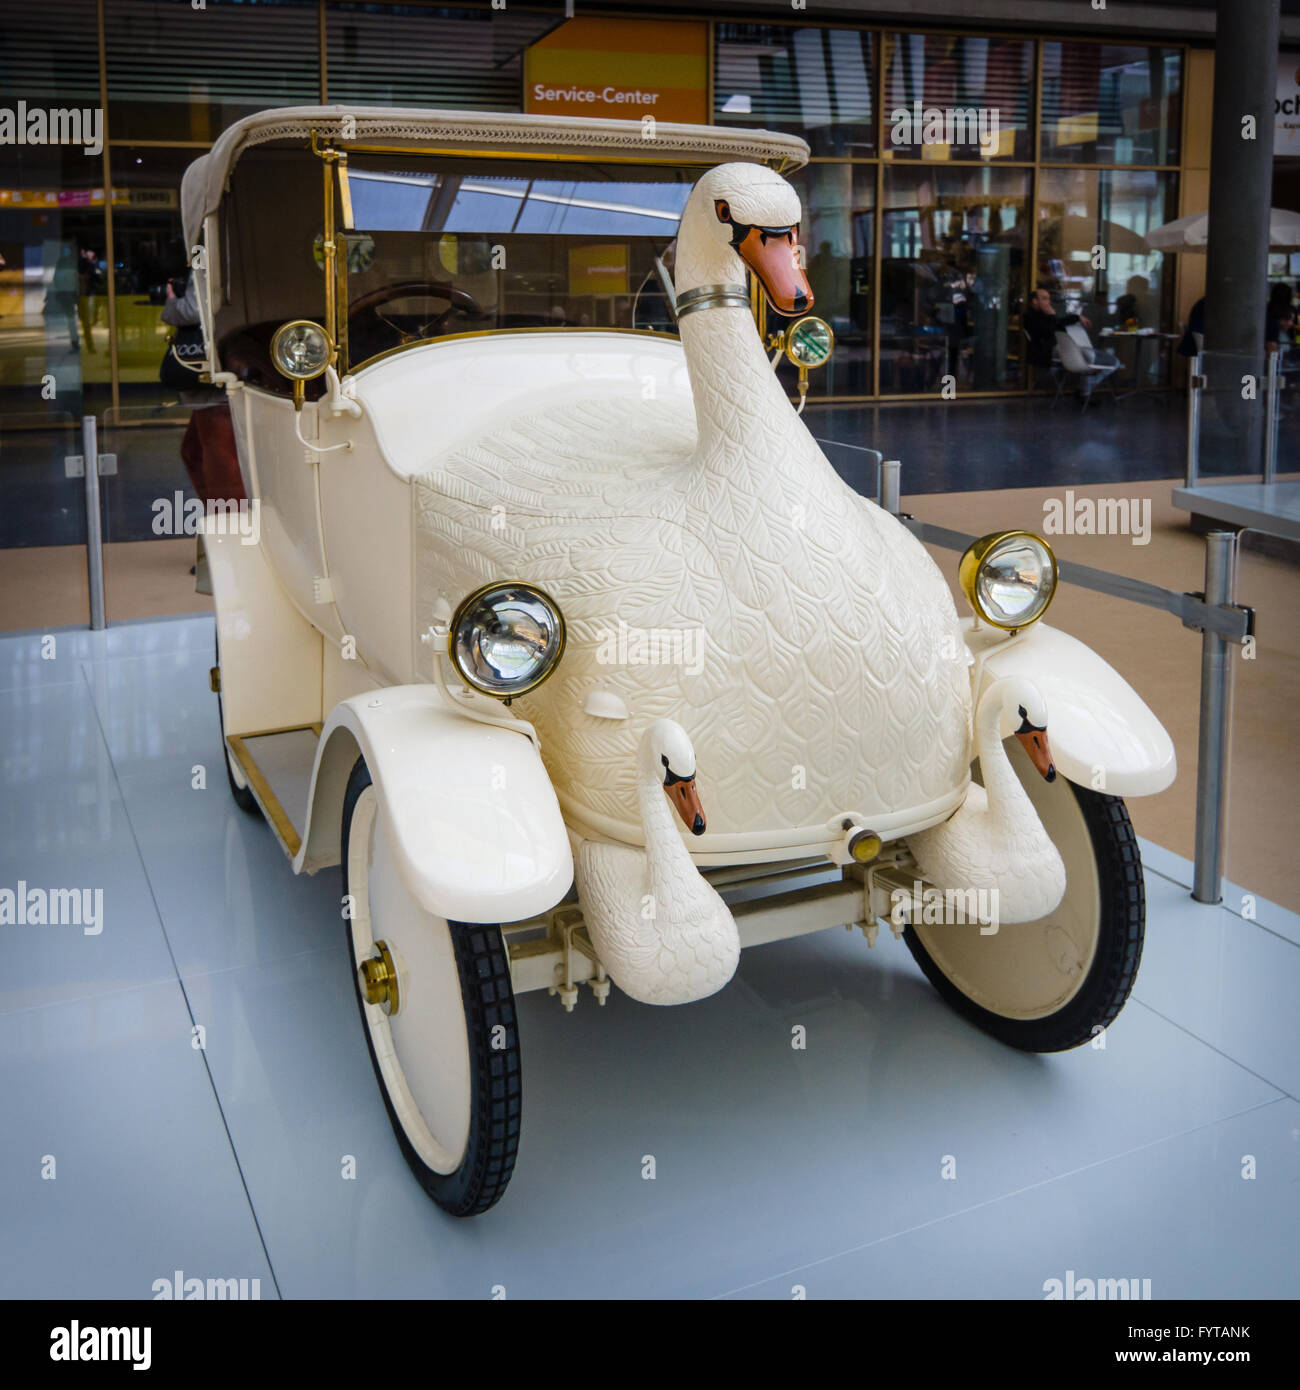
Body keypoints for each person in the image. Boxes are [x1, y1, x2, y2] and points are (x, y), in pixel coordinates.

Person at [162, 275, 243, 594]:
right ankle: (221, 540)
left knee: (221, 466)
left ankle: (231, 548)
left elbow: (194, 309)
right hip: (219, 373)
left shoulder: (206, 254)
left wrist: (170, 303)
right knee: (195, 454)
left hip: (214, 378)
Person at [1022, 286, 1091, 389]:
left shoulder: (1045, 315)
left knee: (1089, 355)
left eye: (1049, 299)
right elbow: (1048, 331)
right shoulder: (1030, 316)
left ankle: (1086, 387)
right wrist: (1051, 316)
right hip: (1046, 352)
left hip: (1058, 349)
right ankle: (1085, 389)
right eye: (1045, 299)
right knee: (1088, 356)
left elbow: (1059, 322)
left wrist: (1078, 317)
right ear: (1035, 301)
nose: (1048, 302)